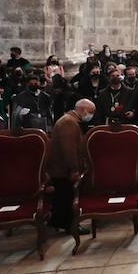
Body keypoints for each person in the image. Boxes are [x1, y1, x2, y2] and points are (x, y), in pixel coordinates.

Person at [47, 100, 94, 234]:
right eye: (90, 112)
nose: (91, 115)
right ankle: (71, 225)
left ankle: (58, 221)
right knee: (66, 197)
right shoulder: (68, 123)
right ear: (83, 110)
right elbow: (69, 149)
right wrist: (74, 169)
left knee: (62, 197)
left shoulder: (69, 120)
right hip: (63, 169)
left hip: (61, 168)